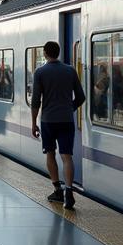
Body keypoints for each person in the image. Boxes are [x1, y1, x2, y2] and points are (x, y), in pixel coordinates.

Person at [30, 39, 86, 211]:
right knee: (67, 157)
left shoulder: (40, 72)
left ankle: (57, 190)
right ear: (59, 53)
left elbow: (35, 101)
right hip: (66, 120)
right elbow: (81, 97)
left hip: (48, 120)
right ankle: (69, 193)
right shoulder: (70, 71)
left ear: (45, 53)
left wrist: (33, 123)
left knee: (50, 155)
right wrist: (70, 107)